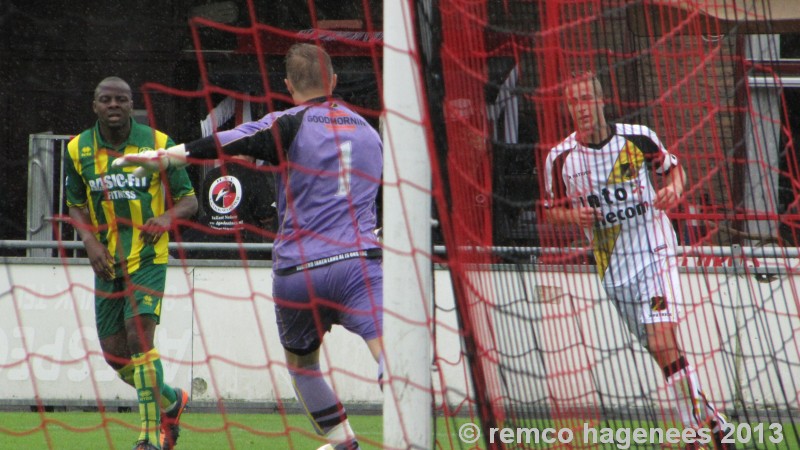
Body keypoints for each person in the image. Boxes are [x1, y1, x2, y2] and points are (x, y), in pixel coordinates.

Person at [114, 44, 383, 450]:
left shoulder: (289, 122)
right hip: (358, 266)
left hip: (299, 274)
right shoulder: (369, 132)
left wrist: (170, 158)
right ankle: (408, 428)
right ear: (336, 81)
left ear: (289, 85)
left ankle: (342, 441)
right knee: (391, 356)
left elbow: (226, 142)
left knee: (303, 366)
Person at [543, 71, 735, 450]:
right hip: (612, 267)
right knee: (662, 351)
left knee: (661, 338)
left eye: (586, 99)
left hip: (655, 250)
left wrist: (675, 189)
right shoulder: (561, 158)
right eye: (573, 102)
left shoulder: (638, 137)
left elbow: (674, 170)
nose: (581, 108)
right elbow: (550, 209)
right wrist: (572, 217)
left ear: (601, 101)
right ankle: (714, 421)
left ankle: (694, 434)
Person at [65, 76, 197, 450]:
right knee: (114, 355)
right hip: (106, 260)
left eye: (120, 99)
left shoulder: (158, 144)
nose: (113, 105)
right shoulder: (77, 149)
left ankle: (148, 436)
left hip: (148, 255)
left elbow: (189, 199)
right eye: (105, 99)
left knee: (140, 340)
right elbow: (74, 202)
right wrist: (89, 241)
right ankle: (172, 401)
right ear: (95, 105)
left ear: (131, 104)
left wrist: (167, 218)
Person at [181, 154, 277, 260]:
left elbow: (207, 210)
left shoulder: (211, 175)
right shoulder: (254, 175)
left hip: (213, 250)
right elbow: (266, 215)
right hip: (246, 251)